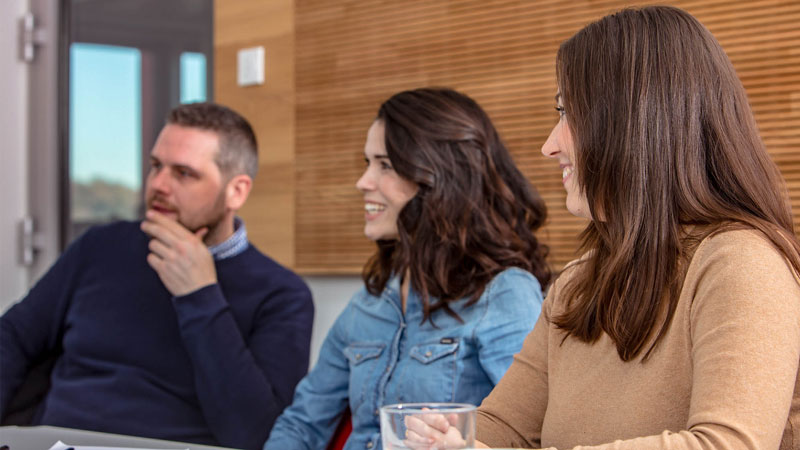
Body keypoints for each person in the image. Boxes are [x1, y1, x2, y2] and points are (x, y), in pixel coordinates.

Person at [457, 6, 800, 450]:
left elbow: (728, 444)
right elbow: (502, 429)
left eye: (566, 113)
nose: (548, 146)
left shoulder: (742, 262)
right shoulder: (579, 280)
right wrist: (456, 441)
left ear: (633, 122)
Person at [0, 102, 315, 450]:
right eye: (155, 166)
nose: (159, 184)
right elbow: (12, 337)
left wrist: (199, 296)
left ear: (235, 191)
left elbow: (255, 434)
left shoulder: (282, 295)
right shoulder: (99, 247)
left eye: (183, 173)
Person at [264, 87, 551, 450]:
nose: (362, 182)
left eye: (384, 165)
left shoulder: (504, 294)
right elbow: (303, 424)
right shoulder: (368, 303)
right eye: (367, 163)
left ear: (437, 177)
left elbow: (528, 436)